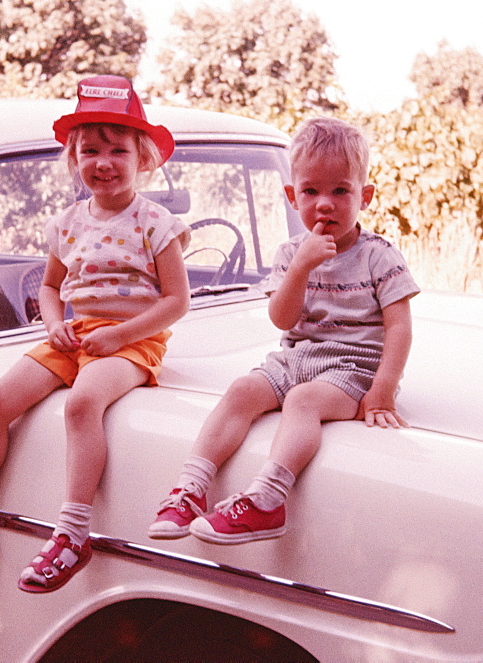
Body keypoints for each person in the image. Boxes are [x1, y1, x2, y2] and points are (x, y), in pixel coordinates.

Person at [0, 75, 191, 593]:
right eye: (90, 150)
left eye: (117, 149)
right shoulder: (66, 222)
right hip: (76, 332)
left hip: (134, 339)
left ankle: (73, 531)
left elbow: (177, 301)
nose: (102, 161)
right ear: (73, 158)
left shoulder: (156, 222)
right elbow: (49, 287)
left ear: (143, 158)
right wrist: (54, 323)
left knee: (82, 403)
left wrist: (120, 335)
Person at [148, 117, 419, 545]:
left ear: (364, 197)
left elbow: (399, 325)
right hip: (295, 358)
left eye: (340, 190)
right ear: (293, 197)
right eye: (311, 191)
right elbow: (282, 319)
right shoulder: (291, 253)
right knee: (241, 390)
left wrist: (385, 386)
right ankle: (190, 489)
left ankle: (269, 500)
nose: (324, 204)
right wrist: (301, 267)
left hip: (354, 367)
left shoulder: (379, 255)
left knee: (302, 400)